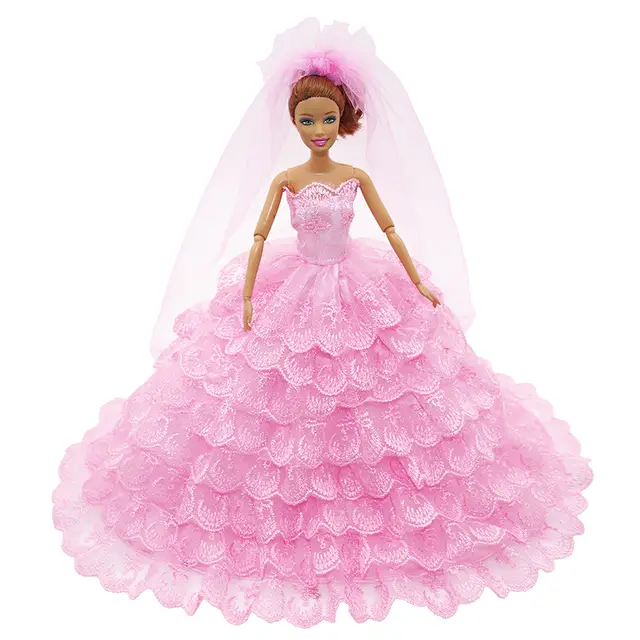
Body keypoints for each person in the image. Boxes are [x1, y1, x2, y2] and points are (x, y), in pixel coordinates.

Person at [52, 18, 593, 627]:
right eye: (307, 120)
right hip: (293, 286)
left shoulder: (354, 179)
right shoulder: (286, 181)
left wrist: (418, 282)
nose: (317, 130)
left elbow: (390, 229)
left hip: (356, 284)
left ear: (344, 121)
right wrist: (247, 296)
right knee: (274, 393)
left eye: (327, 119)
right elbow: (260, 238)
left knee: (380, 388)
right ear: (294, 122)